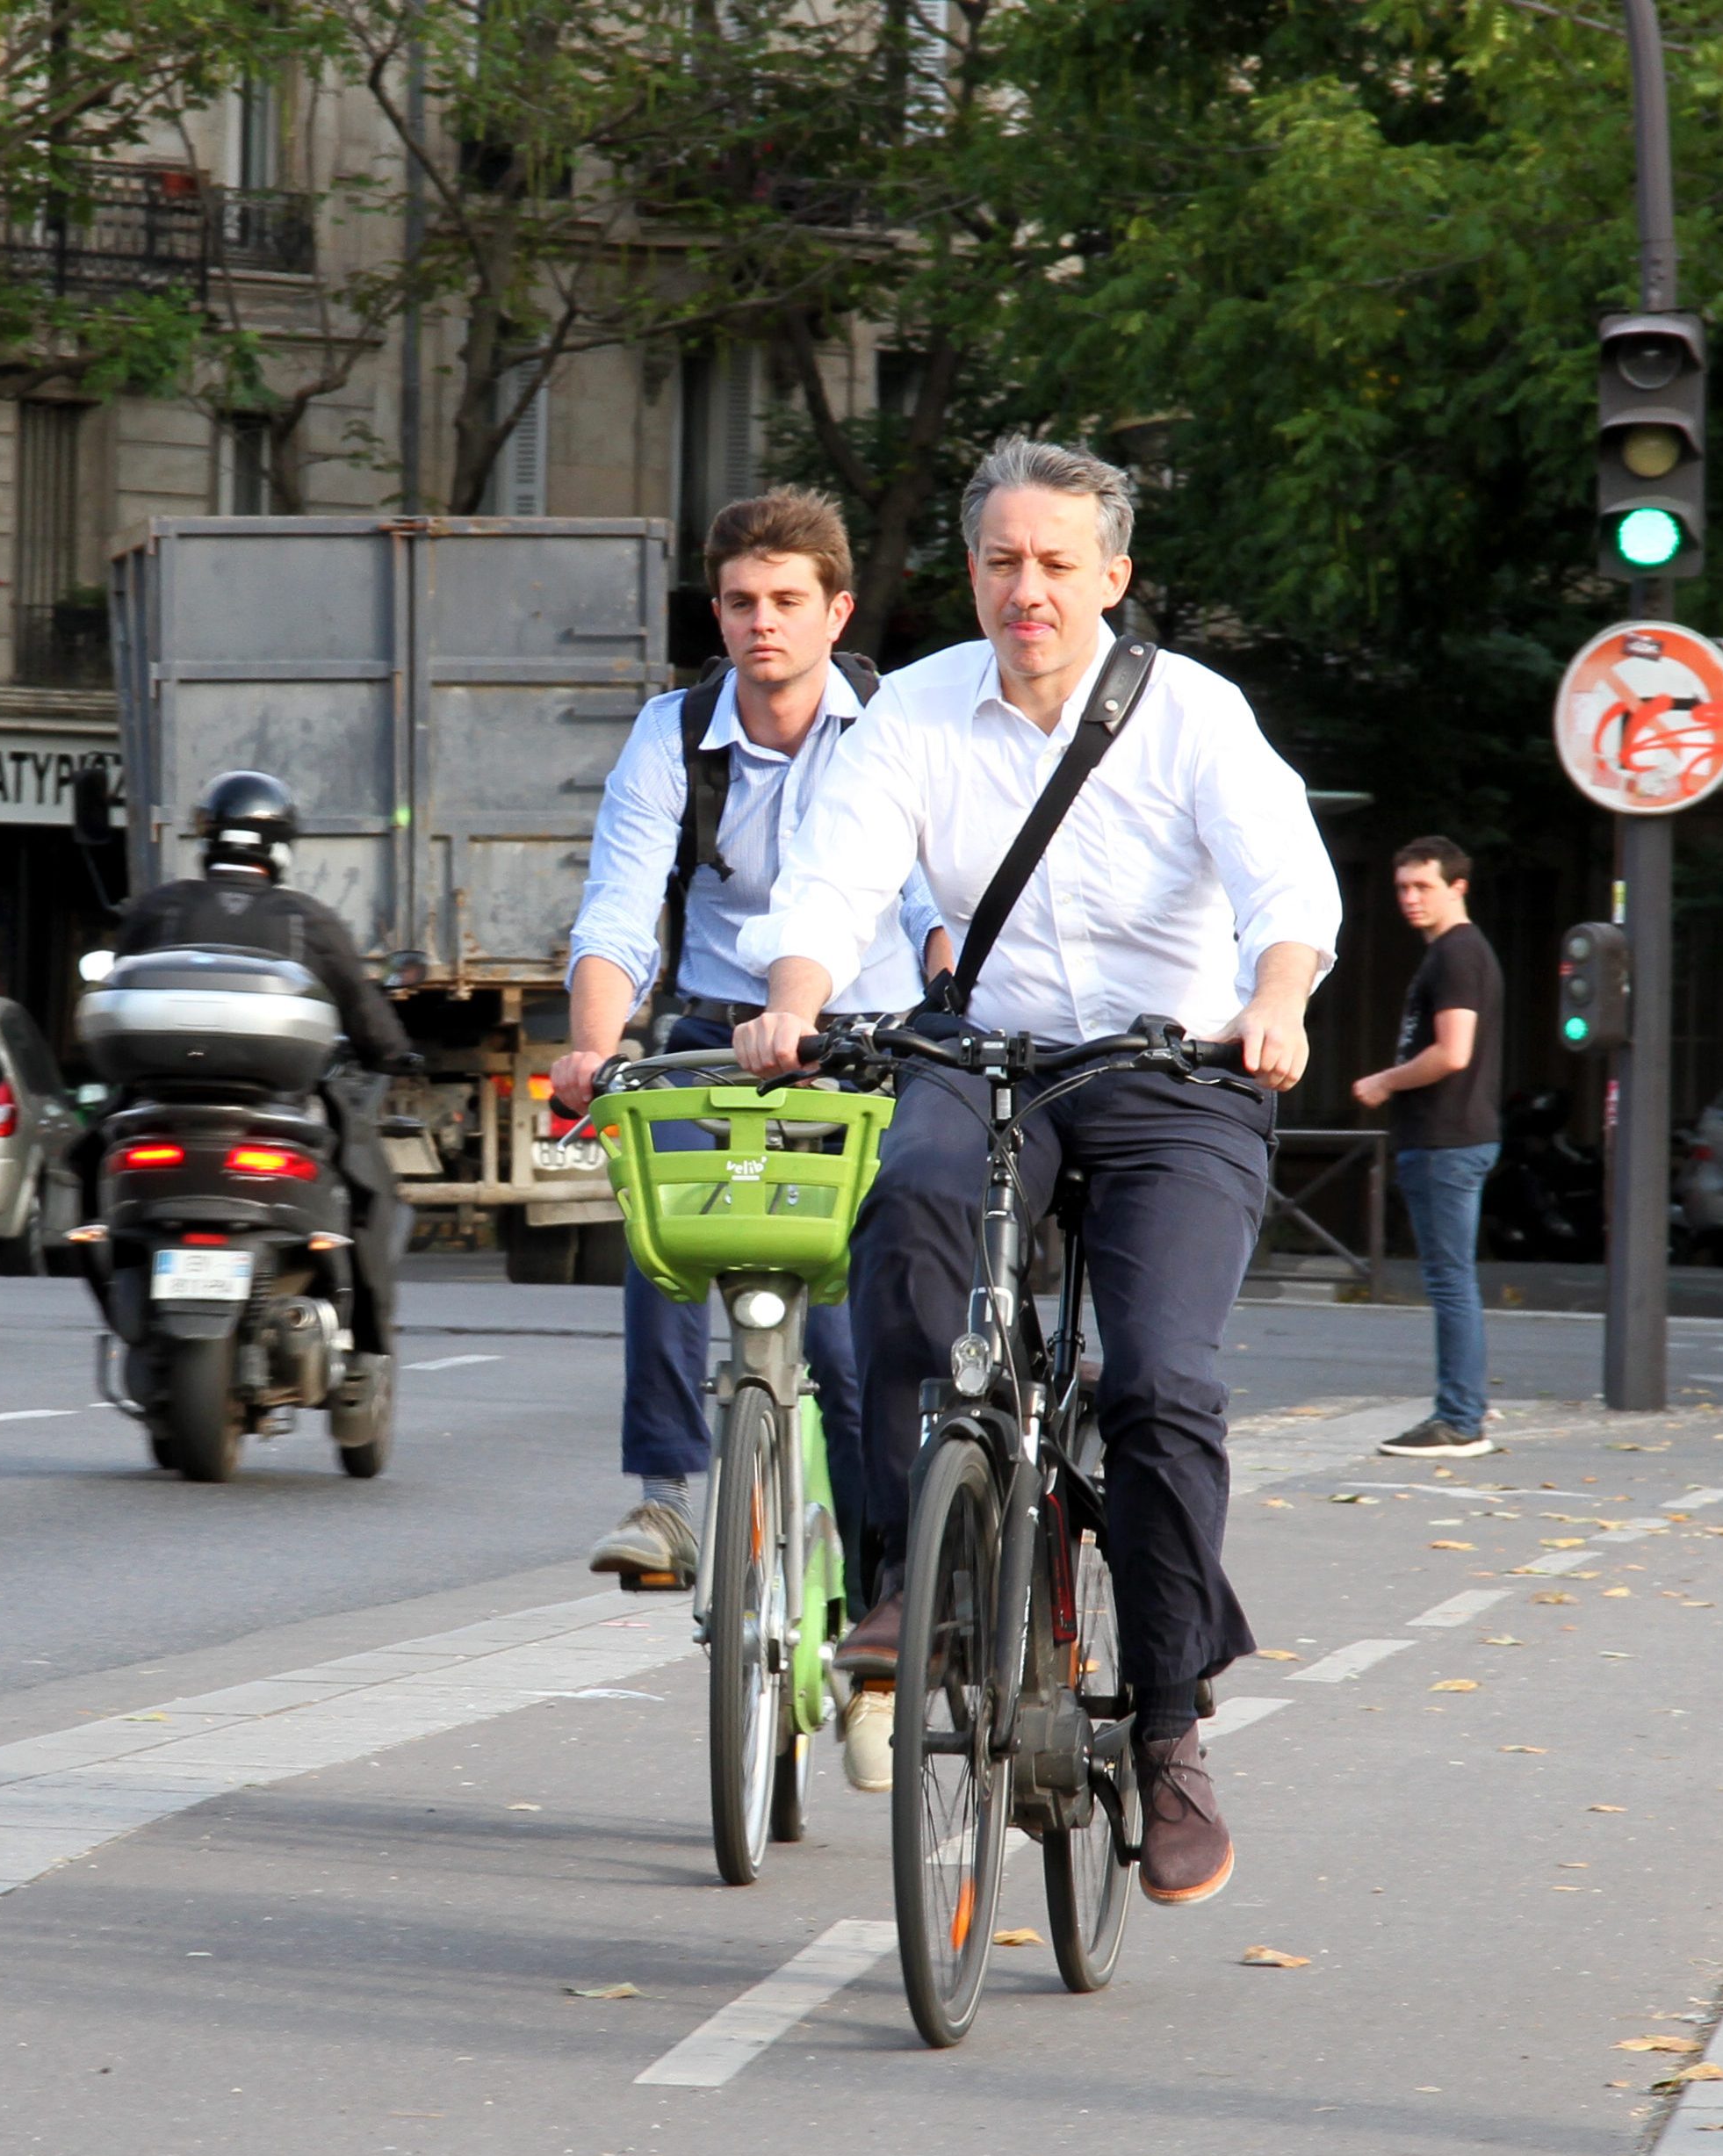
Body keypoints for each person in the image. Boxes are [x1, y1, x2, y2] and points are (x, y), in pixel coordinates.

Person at [734, 436, 1340, 1906]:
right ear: (972, 573)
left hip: (1175, 1078)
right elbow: (839, 870)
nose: (1028, 589)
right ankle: (911, 1581)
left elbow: (1285, 877)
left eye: (1058, 564)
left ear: (1112, 579)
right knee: (908, 1217)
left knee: (1157, 1387)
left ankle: (1177, 1728)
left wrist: (1279, 997)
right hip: (988, 1060)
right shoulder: (919, 713)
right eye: (1003, 561)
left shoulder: (1193, 713)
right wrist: (796, 997)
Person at [552, 487, 937, 1601]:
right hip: (715, 1035)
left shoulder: (893, 726)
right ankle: (668, 1495)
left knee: (851, 1345)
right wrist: (590, 1049)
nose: (759, 621)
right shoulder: (671, 734)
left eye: (784, 600)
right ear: (714, 617)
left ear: (835, 612)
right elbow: (619, 909)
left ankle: (883, 1594)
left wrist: (949, 998)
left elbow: (921, 902)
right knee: (655, 1216)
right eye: (736, 602)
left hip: (865, 1043)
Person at [109, 770, 419, 1358]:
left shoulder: (160, 909)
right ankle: (369, 1348)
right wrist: (396, 1054)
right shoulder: (308, 919)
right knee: (371, 1193)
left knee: (82, 1159)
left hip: (161, 1109)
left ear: (207, 841)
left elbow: (119, 991)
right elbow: (365, 1015)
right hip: (279, 1111)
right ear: (280, 847)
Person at [1352, 837, 1502, 1460]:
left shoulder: (1457, 954)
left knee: (1449, 1282)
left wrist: (1384, 1081)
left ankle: (1460, 1418)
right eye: (1402, 888)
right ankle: (1465, 1403)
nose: (1410, 899)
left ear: (1457, 888)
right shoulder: (1454, 953)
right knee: (1452, 1279)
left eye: (1423, 887)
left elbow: (1453, 1052)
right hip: (1451, 1137)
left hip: (1445, 1138)